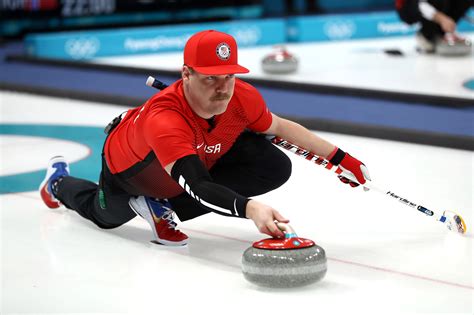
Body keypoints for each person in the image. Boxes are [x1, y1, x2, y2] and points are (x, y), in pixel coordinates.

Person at [39, 30, 371, 246]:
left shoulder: (241, 96)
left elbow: (281, 128)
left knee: (272, 164)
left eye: (229, 76)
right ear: (187, 74)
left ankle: (162, 206)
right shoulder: (165, 119)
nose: (223, 88)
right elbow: (198, 186)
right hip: (130, 173)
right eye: (211, 78)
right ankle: (58, 183)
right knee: (106, 218)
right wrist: (249, 208)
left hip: (193, 155)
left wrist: (343, 160)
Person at [395, 0, 472, 53]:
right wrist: (442, 19)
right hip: (408, 6)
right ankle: (426, 35)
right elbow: (421, 5)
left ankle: (442, 32)